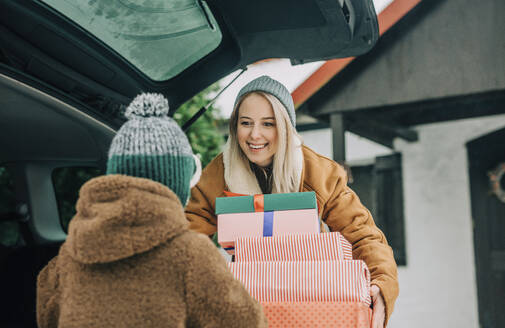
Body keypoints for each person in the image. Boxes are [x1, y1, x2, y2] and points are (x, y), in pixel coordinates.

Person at [36, 93, 267, 328]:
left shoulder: (70, 253)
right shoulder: (191, 253)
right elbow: (245, 322)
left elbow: (47, 316)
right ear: (177, 184)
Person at [185, 76, 399, 327]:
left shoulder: (318, 172)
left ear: (285, 126)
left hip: (312, 301)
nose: (255, 135)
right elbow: (190, 232)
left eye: (268, 123)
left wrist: (381, 284)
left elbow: (363, 234)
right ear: (235, 126)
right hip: (248, 302)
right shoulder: (219, 173)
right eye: (246, 123)